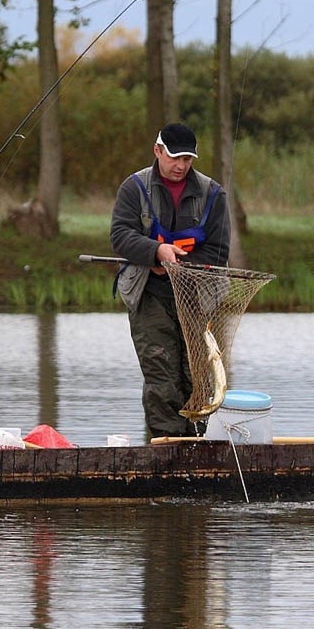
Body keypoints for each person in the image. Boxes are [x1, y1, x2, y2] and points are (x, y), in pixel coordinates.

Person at [110, 123, 231, 438]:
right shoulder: (134, 187)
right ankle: (166, 444)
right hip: (149, 293)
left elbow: (218, 251)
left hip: (196, 296)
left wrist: (180, 266)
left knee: (196, 375)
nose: (180, 166)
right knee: (161, 375)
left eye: (188, 159)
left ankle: (198, 440)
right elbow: (120, 236)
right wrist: (156, 253)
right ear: (157, 151)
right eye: (174, 157)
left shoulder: (213, 193)